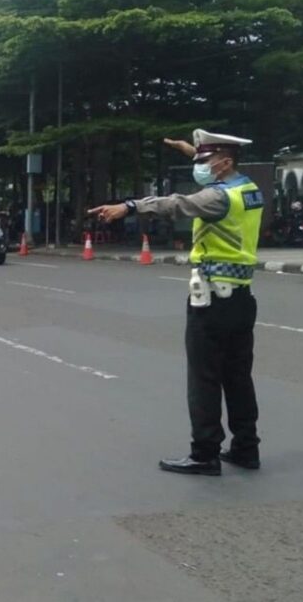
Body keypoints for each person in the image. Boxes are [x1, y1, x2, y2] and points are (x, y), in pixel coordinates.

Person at [89, 129, 263, 476]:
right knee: (238, 377)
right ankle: (246, 447)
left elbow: (177, 203)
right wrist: (191, 151)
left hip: (211, 301)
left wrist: (130, 206)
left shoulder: (218, 198)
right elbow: (212, 171)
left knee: (204, 378)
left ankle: (204, 454)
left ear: (225, 162)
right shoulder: (249, 189)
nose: (200, 167)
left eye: (205, 161)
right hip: (242, 299)